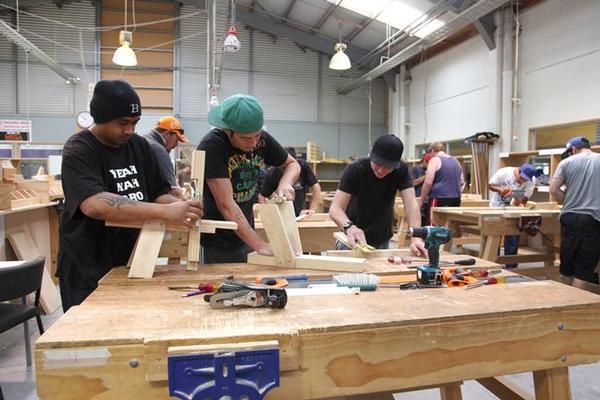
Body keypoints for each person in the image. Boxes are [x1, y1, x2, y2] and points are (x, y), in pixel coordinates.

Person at [58, 80, 203, 311]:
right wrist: (167, 212)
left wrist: (181, 206)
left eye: (134, 123)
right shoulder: (80, 149)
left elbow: (157, 194)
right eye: (122, 123)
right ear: (99, 118)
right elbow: (94, 205)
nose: (129, 130)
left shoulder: (139, 146)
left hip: (133, 260)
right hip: (87, 266)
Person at [199, 94, 300, 263]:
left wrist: (285, 183)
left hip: (247, 233)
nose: (253, 143)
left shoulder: (261, 140)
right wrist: (260, 245)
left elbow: (292, 164)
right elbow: (227, 205)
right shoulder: (212, 146)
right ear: (227, 130)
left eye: (257, 135)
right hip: (218, 241)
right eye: (246, 138)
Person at [329, 134, 427, 256]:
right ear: (371, 155)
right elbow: (335, 208)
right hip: (351, 239)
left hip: (382, 239)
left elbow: (411, 204)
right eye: (378, 163)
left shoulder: (401, 170)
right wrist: (349, 227)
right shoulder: (355, 169)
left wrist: (416, 237)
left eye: (388, 167)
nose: (381, 170)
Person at [550, 136, 600, 292]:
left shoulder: (565, 163)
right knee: (583, 270)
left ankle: (563, 305)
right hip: (593, 219)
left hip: (569, 218)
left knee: (567, 267)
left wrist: (569, 197)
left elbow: (553, 190)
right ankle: (575, 309)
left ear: (572, 149)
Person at [488, 163, 536, 268]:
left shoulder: (531, 181)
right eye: (521, 178)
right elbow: (490, 185)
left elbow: (525, 198)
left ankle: (511, 266)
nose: (523, 181)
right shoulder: (504, 172)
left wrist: (515, 195)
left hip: (514, 210)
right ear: (518, 171)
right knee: (494, 236)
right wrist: (501, 190)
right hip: (496, 207)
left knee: (513, 237)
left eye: (525, 180)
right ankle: (492, 263)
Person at [258, 147, 322, 217]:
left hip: (301, 213)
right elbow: (261, 196)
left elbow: (316, 187)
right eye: (282, 167)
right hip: (281, 215)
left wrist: (312, 209)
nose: (286, 171)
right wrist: (266, 214)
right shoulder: (273, 173)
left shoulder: (303, 166)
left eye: (288, 167)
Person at [142, 116, 189, 199]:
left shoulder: (142, 141)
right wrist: (190, 202)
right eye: (176, 139)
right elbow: (173, 191)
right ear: (167, 134)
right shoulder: (159, 150)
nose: (175, 145)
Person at [418, 142, 464, 224]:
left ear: (432, 150)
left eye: (429, 153)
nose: (430, 156)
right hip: (455, 198)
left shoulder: (435, 160)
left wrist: (421, 200)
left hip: (439, 198)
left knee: (434, 226)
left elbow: (428, 182)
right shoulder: (456, 161)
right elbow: (462, 182)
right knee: (449, 227)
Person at [411, 153, 433, 226]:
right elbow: (412, 183)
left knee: (426, 223)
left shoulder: (430, 169)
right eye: (427, 163)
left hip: (427, 201)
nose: (428, 165)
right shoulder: (415, 169)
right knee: (417, 223)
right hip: (417, 199)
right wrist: (425, 176)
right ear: (424, 161)